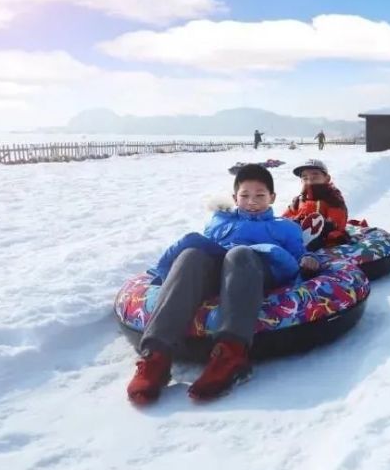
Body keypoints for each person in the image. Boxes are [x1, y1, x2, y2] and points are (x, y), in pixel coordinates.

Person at [126, 164, 319, 405]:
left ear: (272, 197)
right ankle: (156, 357)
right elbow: (208, 248)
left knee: (239, 253)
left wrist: (307, 260)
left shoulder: (285, 227)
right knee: (191, 255)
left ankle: (231, 354)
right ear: (235, 197)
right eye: (245, 195)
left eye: (260, 195)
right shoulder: (220, 221)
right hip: (221, 270)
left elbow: (297, 254)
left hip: (255, 269)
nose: (252, 201)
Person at [283, 159, 350, 251]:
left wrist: (319, 225)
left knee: (308, 243)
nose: (310, 179)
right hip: (298, 235)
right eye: (304, 177)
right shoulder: (299, 200)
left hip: (324, 237)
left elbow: (337, 222)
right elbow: (285, 217)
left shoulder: (332, 198)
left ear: (327, 178)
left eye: (315, 175)